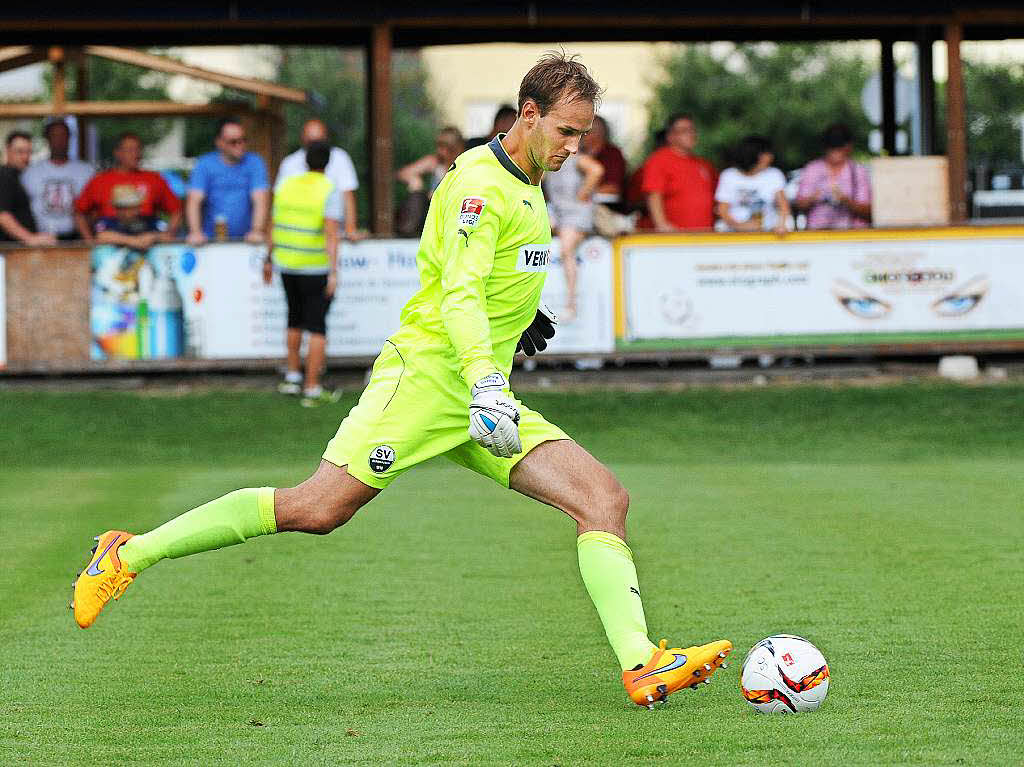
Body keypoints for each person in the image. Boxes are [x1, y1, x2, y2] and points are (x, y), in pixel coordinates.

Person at [70, 52, 731, 710]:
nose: (572, 146)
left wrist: (522, 315)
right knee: (317, 508)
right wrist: (483, 378)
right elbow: (460, 293)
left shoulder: (530, 180)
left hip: (480, 393)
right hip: (430, 381)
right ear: (529, 114)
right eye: (565, 130)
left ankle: (640, 663)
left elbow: (488, 280)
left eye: (582, 134)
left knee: (604, 499)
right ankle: (127, 553)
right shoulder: (481, 185)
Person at [264, 141, 342, 408]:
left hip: (286, 262)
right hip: (314, 265)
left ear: (304, 160)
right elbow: (331, 233)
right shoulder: (329, 189)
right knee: (317, 325)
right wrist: (334, 271)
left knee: (294, 319)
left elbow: (272, 224)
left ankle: (293, 376)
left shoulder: (286, 185)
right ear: (328, 162)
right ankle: (312, 388)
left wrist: (267, 257)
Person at [74, 132, 181, 243]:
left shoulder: (154, 179)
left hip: (146, 240)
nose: (136, 154)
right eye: (130, 150)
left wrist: (163, 236)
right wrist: (89, 242)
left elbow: (176, 211)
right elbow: (79, 212)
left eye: (138, 149)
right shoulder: (100, 180)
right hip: (111, 242)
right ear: (118, 153)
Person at [186, 117, 269, 245]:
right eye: (233, 142)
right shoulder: (204, 164)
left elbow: (260, 198)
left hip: (245, 241)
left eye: (243, 140)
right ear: (219, 142)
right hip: (210, 241)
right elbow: (194, 200)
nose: (240, 145)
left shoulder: (255, 162)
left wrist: (257, 230)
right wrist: (195, 231)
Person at [274, 118, 359, 241]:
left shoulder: (340, 158)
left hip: (334, 233)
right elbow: (278, 204)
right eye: (311, 142)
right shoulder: (290, 163)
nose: (316, 147)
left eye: (319, 142)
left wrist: (350, 230)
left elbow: (348, 196)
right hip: (298, 236)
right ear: (302, 140)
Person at [543, 150, 603, 321]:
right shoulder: (548, 161)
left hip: (576, 213)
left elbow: (597, 170)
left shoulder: (576, 159)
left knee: (566, 249)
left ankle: (571, 304)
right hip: (558, 213)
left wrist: (583, 192)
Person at [638, 114, 716, 232]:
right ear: (670, 136)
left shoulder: (703, 164)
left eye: (692, 130)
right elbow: (653, 194)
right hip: (675, 238)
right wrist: (662, 224)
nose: (691, 134)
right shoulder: (659, 160)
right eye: (684, 131)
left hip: (704, 235)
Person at [21, 118, 94, 240]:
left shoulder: (86, 171)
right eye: (54, 136)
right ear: (47, 139)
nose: (59, 140)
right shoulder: (30, 172)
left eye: (63, 136)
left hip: (78, 238)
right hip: (42, 239)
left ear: (69, 138)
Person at [795, 123, 872, 230]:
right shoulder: (812, 169)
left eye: (839, 148)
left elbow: (869, 210)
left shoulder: (858, 171)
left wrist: (846, 201)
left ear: (849, 147)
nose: (835, 152)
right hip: (817, 235)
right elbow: (798, 205)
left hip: (852, 236)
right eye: (831, 147)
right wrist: (813, 198)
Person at [395, 126, 464, 236]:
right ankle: (407, 231)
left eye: (445, 147)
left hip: (453, 212)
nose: (440, 151)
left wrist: (438, 194)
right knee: (416, 188)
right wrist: (415, 180)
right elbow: (402, 173)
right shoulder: (434, 162)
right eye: (439, 146)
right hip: (430, 211)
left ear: (456, 148)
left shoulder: (463, 165)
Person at [715, 135, 790, 234]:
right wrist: (739, 226)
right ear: (755, 154)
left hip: (766, 234)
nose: (771, 157)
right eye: (766, 153)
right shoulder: (729, 175)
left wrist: (781, 225)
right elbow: (722, 210)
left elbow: (783, 205)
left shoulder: (774, 174)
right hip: (733, 235)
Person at [0, 131, 55, 246]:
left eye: (28, 152)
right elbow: (3, 216)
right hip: (9, 253)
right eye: (19, 152)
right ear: (7, 151)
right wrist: (29, 238)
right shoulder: (4, 176)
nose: (25, 157)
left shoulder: (17, 176)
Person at [94, 184, 168, 252]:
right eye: (126, 207)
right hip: (117, 259)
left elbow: (168, 235)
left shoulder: (150, 220)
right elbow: (101, 236)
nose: (135, 211)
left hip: (147, 258)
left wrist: (154, 236)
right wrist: (132, 241)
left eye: (135, 206)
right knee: (103, 251)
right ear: (117, 209)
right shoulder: (108, 221)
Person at [583, 115, 627, 207]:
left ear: (597, 134)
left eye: (584, 132)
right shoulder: (578, 152)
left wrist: (583, 193)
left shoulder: (613, 154)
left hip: (605, 208)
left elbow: (613, 188)